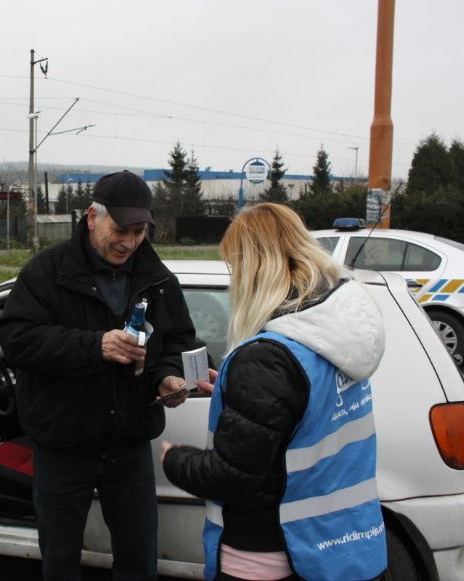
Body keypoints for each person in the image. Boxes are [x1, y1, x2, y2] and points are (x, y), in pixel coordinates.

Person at [161, 203, 388, 581]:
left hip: (274, 555)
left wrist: (175, 460)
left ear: (254, 267)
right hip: (350, 547)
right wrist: (242, 393)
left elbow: (232, 477)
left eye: (236, 267)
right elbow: (304, 409)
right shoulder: (331, 337)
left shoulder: (268, 359)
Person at [0, 170, 196, 581]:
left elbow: (175, 343)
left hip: (129, 446)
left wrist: (168, 378)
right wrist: (94, 346)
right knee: (62, 559)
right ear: (91, 217)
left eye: (140, 231)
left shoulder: (157, 281)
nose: (130, 241)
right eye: (121, 229)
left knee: (138, 558)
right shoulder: (46, 274)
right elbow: (17, 339)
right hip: (63, 447)